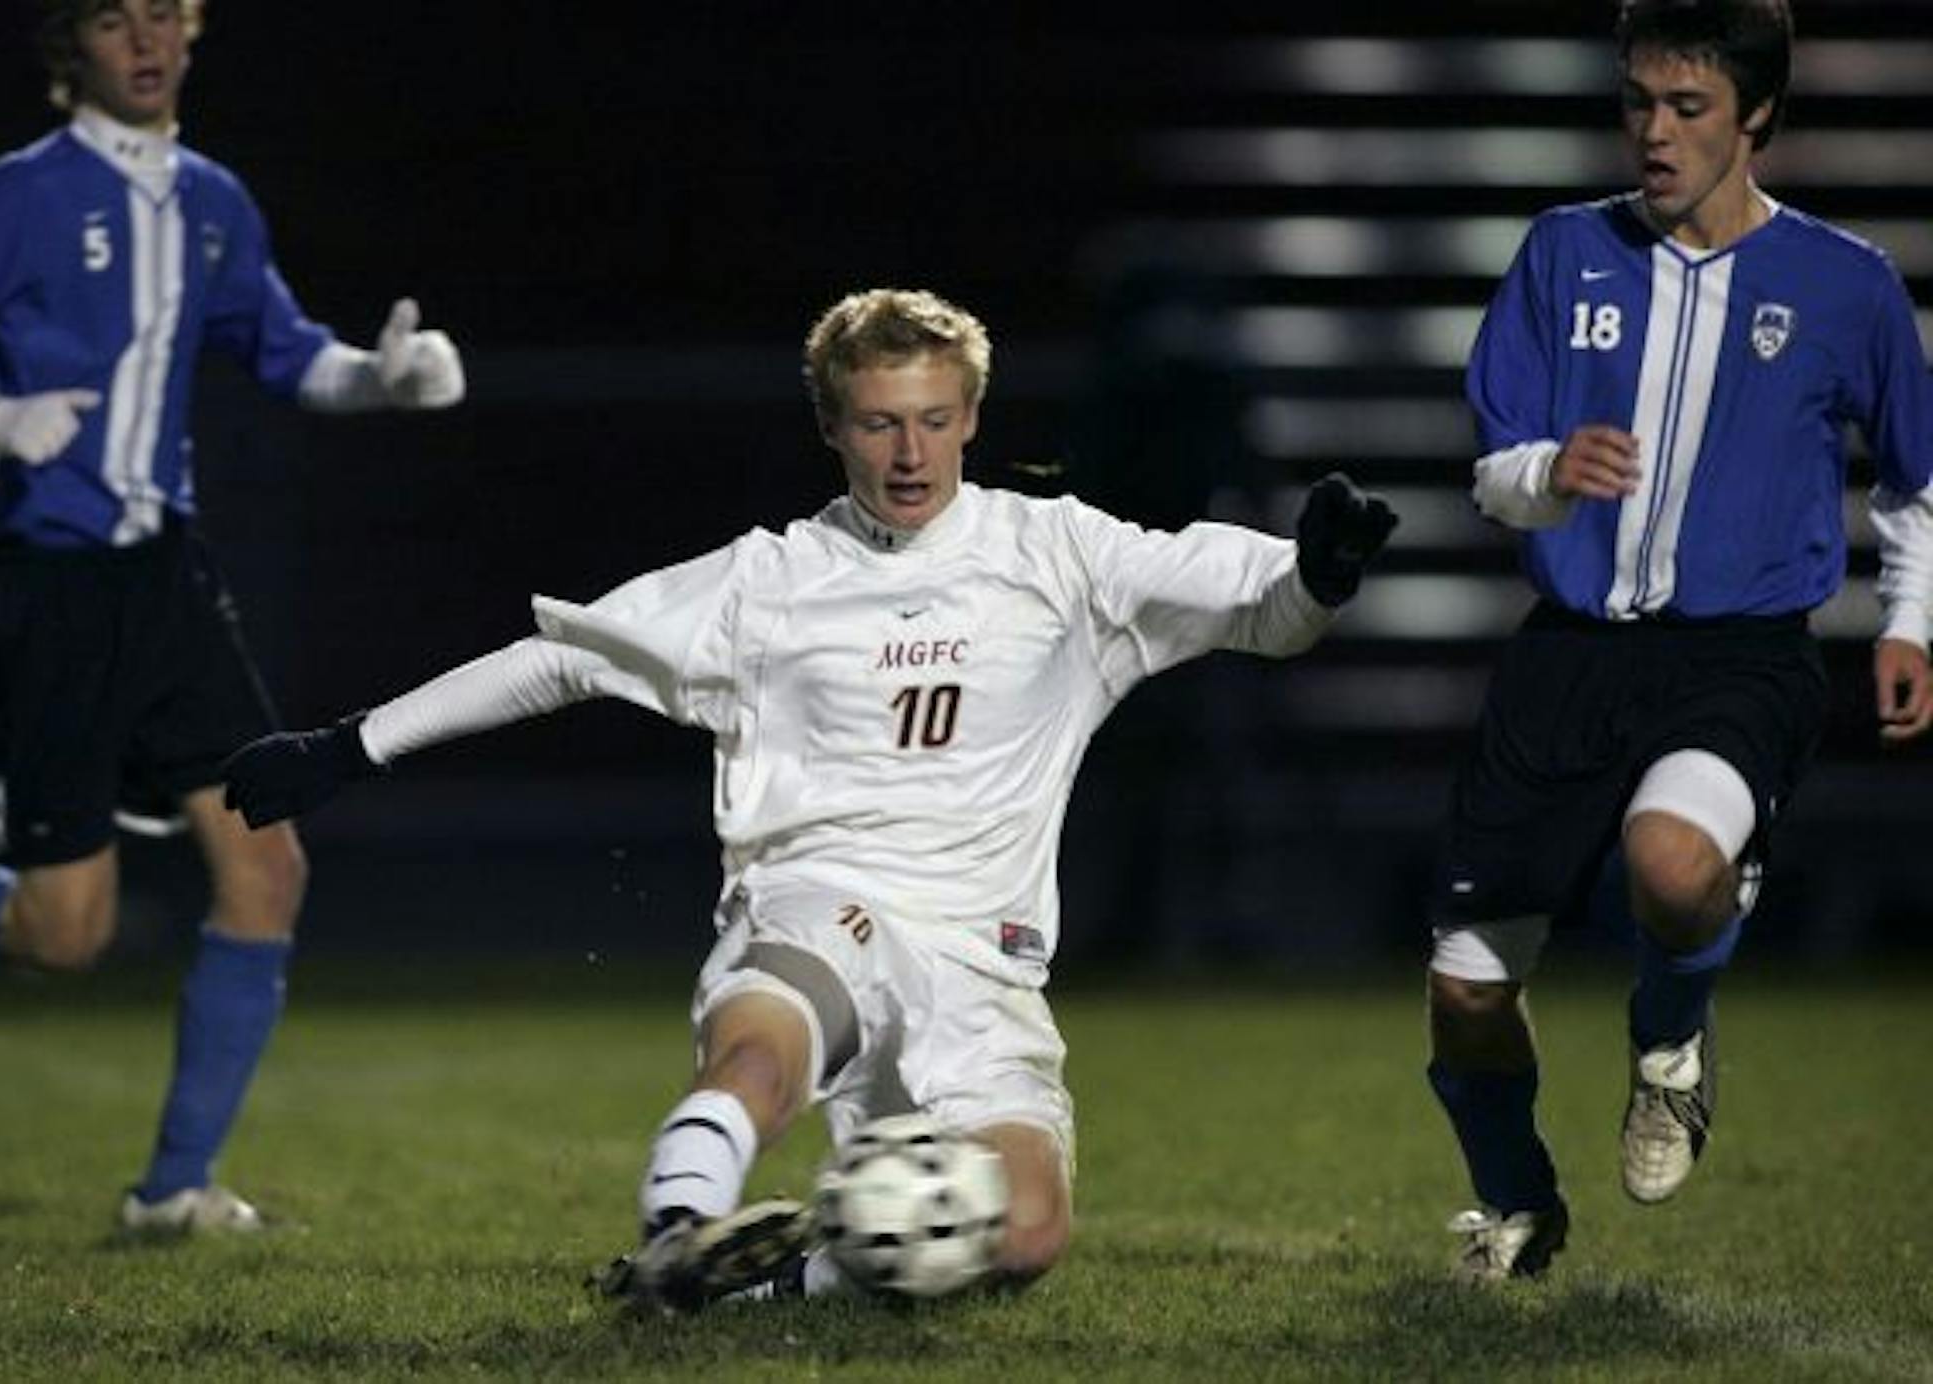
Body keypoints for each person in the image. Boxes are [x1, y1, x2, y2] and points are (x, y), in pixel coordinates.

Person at [218, 287, 1397, 1309]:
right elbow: (568, 656)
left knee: (1027, 1234)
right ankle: (680, 1228)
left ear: (973, 417)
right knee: (761, 1059)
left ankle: (760, 1286)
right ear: (832, 424)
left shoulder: (1064, 558)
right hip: (820, 904)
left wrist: (1323, 574)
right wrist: (352, 744)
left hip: (984, 965)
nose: (910, 452)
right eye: (879, 422)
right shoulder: (769, 580)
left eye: (935, 419)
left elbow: (1265, 611)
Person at [0, 0, 465, 1233]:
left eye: (164, 14)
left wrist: (382, 379)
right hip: (48, 591)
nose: (144, 40)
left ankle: (171, 1192)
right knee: (64, 935)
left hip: (167, 578)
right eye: (111, 19)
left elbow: (284, 349)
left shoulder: (213, 199)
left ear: (192, 31)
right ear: (67, 49)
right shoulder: (18, 194)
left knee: (268, 859)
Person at [1425, 0, 1932, 1282]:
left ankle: (1672, 1044)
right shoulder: (1562, 251)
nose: (1654, 131)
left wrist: (1908, 621)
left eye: (1688, 106)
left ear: (1755, 116)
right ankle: (1521, 1204)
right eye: (1638, 102)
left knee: (1673, 860)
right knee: (1469, 990)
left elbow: (1913, 485)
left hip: (1740, 656)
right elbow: (1493, 470)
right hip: (1569, 656)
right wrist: (1552, 471)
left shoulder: (1846, 282)